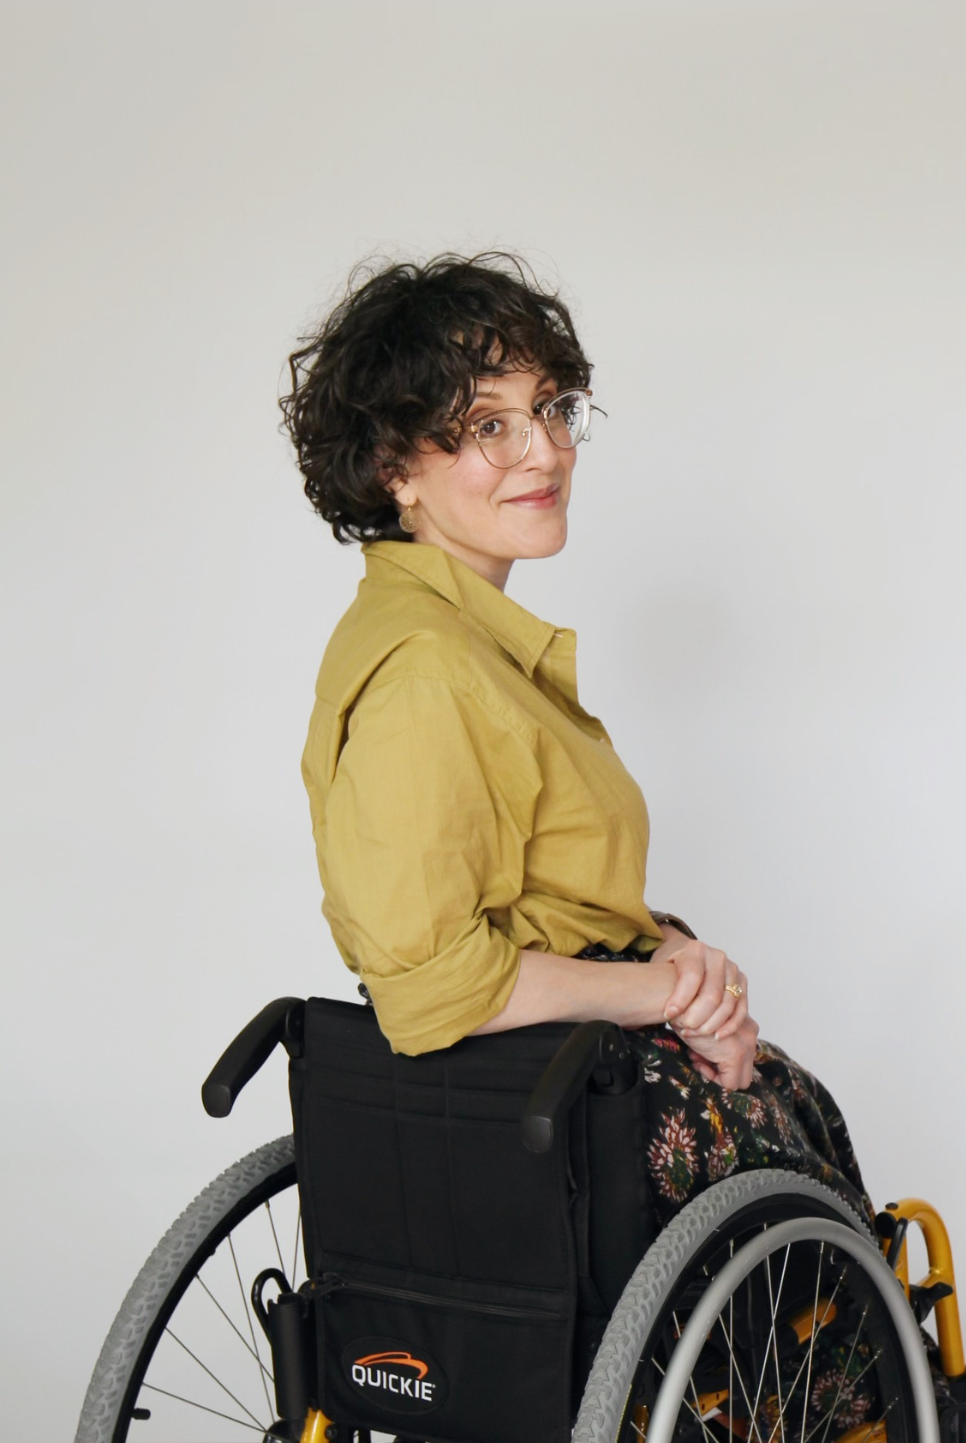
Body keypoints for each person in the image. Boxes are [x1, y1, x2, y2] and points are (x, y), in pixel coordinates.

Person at [281, 253, 871, 1227]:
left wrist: (679, 963)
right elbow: (437, 987)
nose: (545, 453)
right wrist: (664, 996)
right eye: (488, 426)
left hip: (572, 1066)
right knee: (809, 1166)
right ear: (393, 468)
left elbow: (545, 894)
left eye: (552, 409)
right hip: (549, 1106)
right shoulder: (427, 671)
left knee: (793, 1100)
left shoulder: (463, 641)